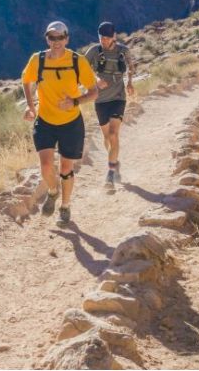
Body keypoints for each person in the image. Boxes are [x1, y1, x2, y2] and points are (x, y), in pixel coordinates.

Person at [21, 21, 99, 226]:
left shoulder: (77, 61)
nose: (56, 42)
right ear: (47, 38)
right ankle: (53, 191)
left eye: (60, 37)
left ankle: (65, 206)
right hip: (45, 120)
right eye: (51, 37)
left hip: (71, 122)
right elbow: (26, 81)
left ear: (67, 38)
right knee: (46, 165)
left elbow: (94, 92)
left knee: (66, 168)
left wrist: (74, 101)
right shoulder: (37, 60)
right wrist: (31, 107)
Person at [83, 21, 137, 187]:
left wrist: (129, 83)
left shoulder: (123, 51)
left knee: (113, 134)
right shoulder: (94, 51)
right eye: (101, 38)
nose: (104, 41)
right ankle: (115, 161)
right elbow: (81, 69)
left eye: (107, 38)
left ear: (114, 36)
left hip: (118, 97)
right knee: (107, 138)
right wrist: (96, 80)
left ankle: (111, 172)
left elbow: (131, 67)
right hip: (100, 100)